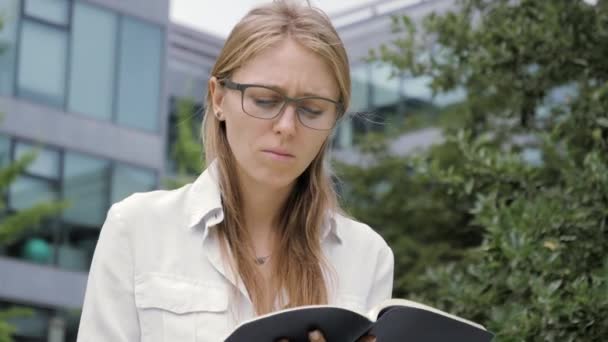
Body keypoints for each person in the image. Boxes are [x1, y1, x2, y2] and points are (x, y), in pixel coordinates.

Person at [76, 1, 394, 341]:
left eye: (312, 110)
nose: (286, 126)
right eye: (265, 101)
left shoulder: (366, 256)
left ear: (334, 119)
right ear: (218, 98)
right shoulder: (136, 230)